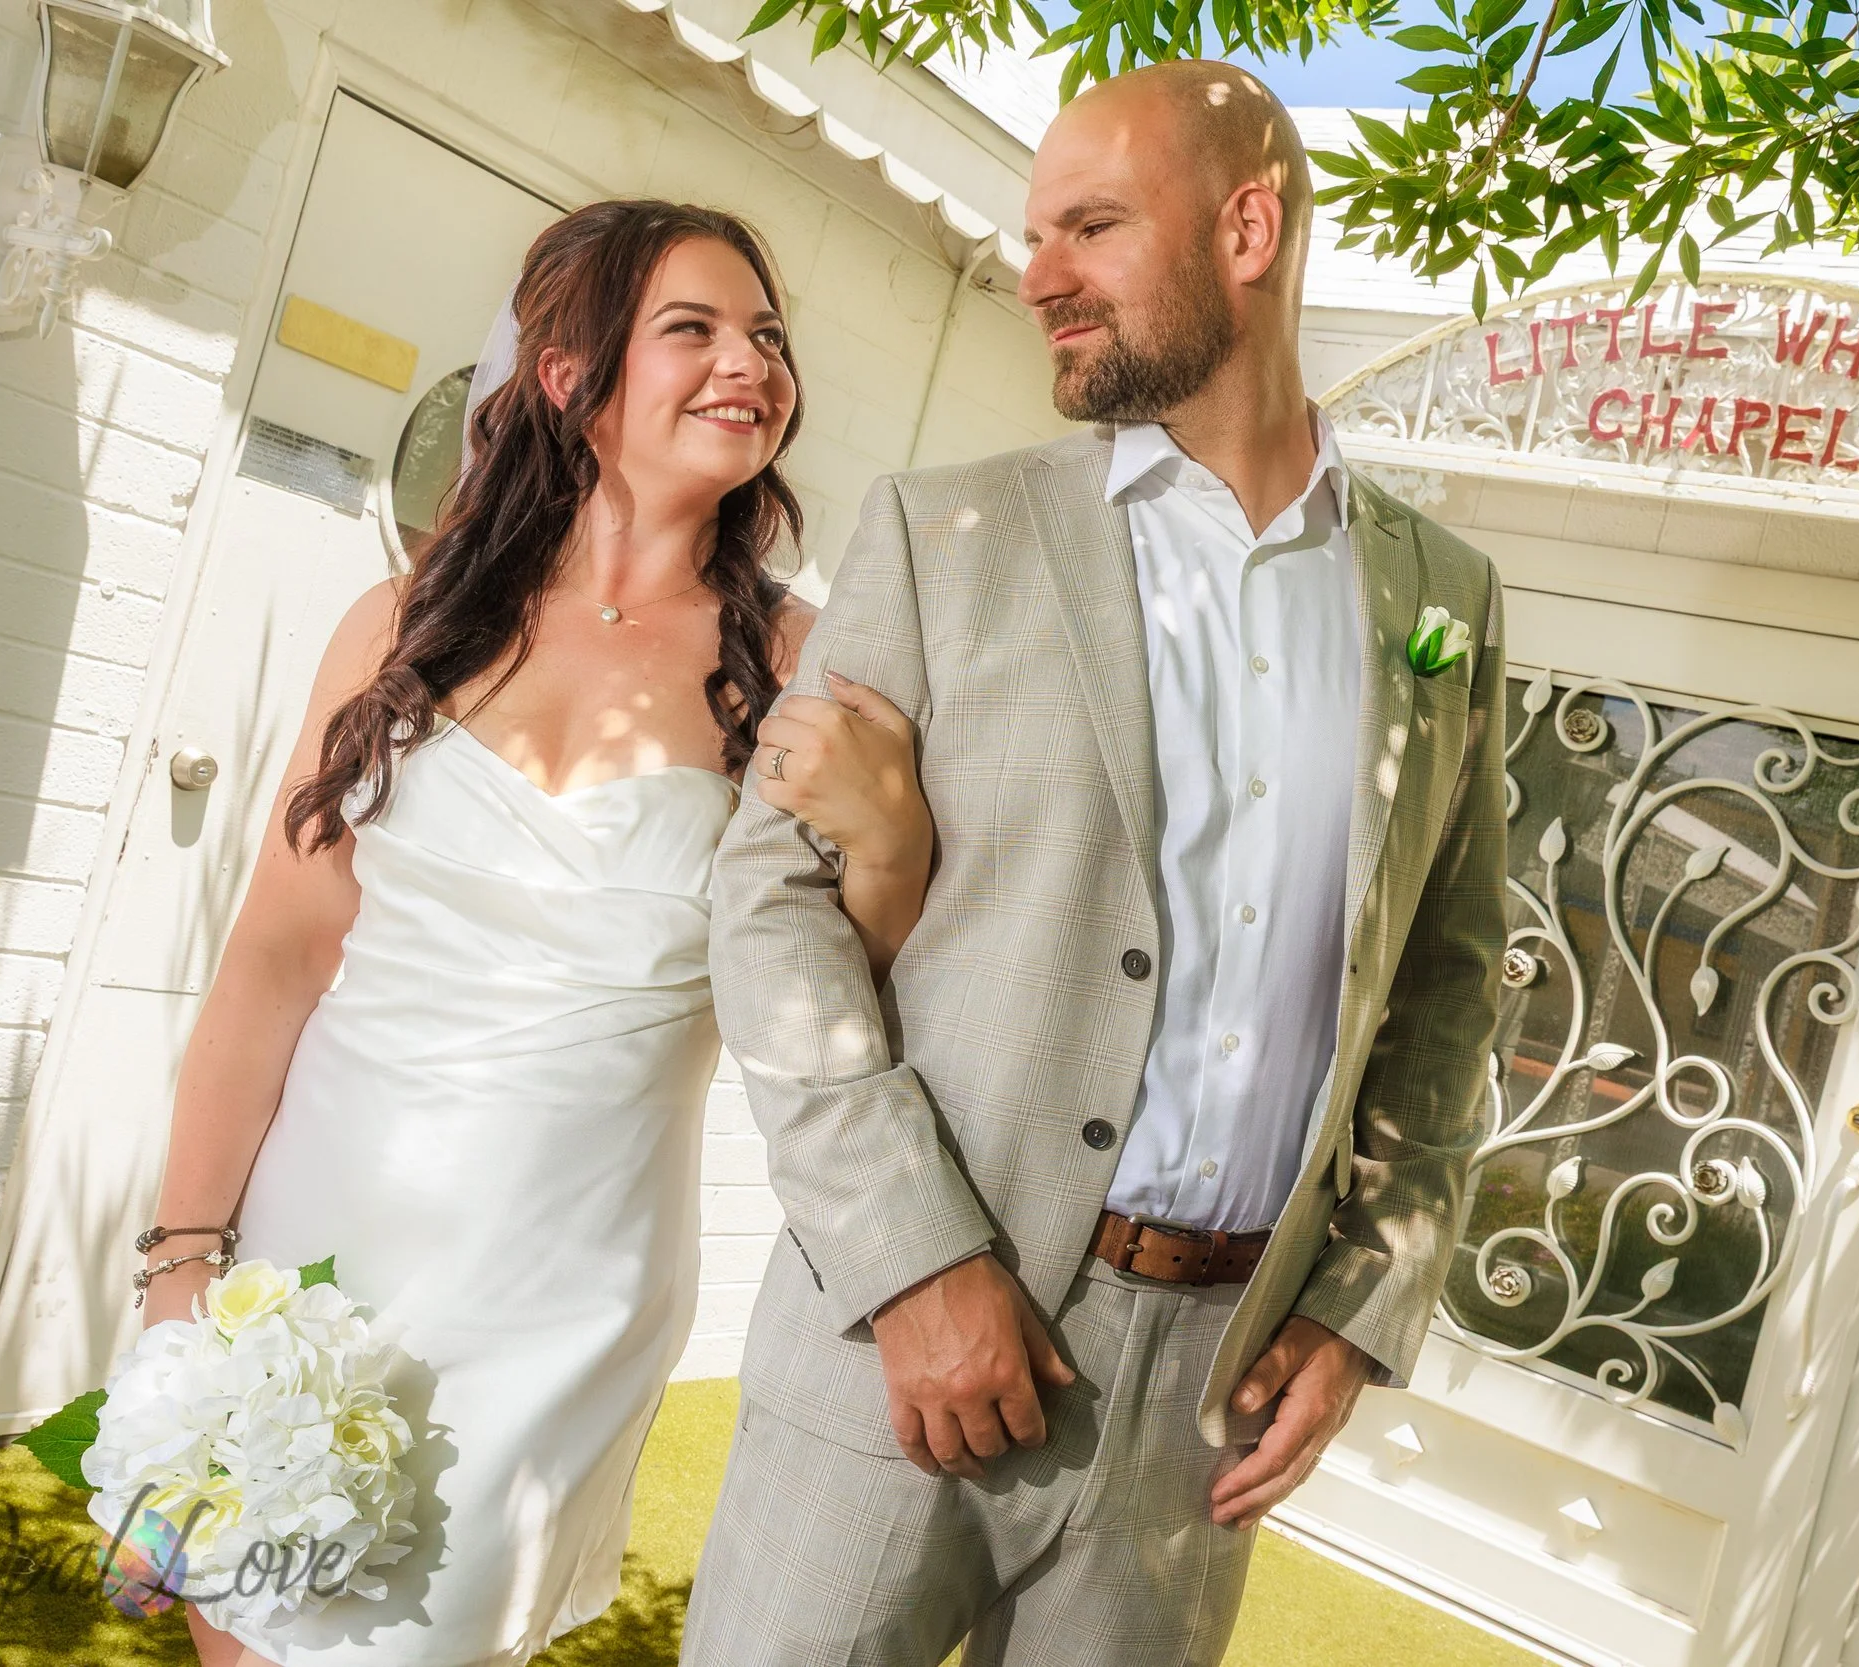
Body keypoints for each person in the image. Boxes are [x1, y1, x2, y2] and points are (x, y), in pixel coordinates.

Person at [683, 60, 1507, 1666]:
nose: (1033, 270)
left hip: (1205, 1406)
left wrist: (1358, 1300)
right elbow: (768, 905)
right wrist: (914, 1262)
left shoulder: (1446, 603)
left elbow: (1448, 982)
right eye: (1030, 230)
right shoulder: (949, 533)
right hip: (902, 1349)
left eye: (1091, 226)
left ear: (1248, 226)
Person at [136, 199, 932, 1667]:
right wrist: (184, 1262)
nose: (747, 362)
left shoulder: (801, 671)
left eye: (766, 335)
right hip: (320, 1235)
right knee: (236, 1628)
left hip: (562, 1282)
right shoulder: (405, 625)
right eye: (690, 328)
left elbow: (858, 985)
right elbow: (275, 962)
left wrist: (891, 836)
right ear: (570, 376)